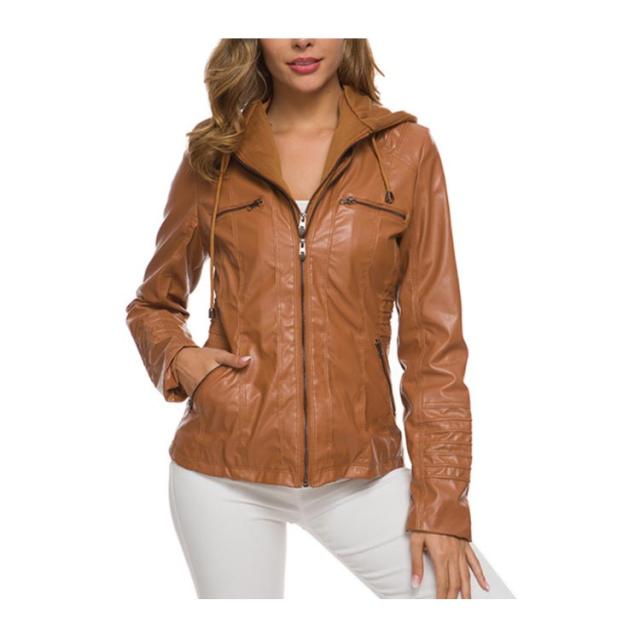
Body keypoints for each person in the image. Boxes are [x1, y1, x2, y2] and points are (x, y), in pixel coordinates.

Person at [125, 38, 515, 599]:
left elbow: (435, 346)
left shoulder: (405, 151)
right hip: (222, 473)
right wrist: (181, 359)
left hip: (362, 476)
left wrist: (442, 505)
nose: (302, 38)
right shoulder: (215, 155)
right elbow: (152, 304)